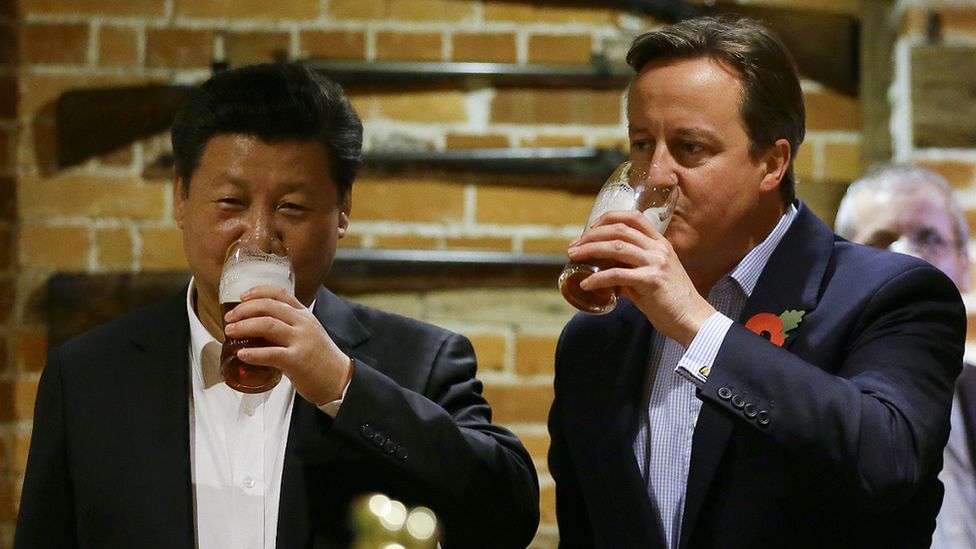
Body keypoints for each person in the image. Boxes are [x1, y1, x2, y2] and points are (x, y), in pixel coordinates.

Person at [15, 63, 539, 549]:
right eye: (231, 204)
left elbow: (508, 514)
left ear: (342, 212)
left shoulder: (420, 360)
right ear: (180, 198)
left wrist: (342, 386)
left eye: (291, 206)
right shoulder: (87, 376)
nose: (260, 236)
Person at [547, 15, 966, 548]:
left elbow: (887, 462)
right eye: (641, 144)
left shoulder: (893, 294)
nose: (655, 174)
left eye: (690, 148)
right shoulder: (595, 341)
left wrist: (696, 324)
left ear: (772, 162)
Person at [835, 163, 976, 549]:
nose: (906, 257)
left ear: (964, 266)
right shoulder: (811, 395)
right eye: (881, 241)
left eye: (929, 238)